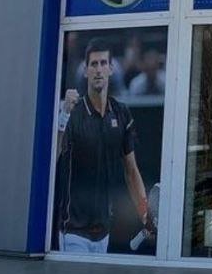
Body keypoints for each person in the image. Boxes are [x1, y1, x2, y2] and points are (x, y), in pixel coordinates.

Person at [55, 39, 152, 253]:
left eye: (103, 63)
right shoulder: (73, 113)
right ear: (85, 71)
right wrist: (63, 116)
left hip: (104, 233)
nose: (98, 69)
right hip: (73, 232)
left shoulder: (121, 112)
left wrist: (144, 213)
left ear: (111, 69)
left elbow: (131, 170)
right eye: (93, 64)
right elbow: (55, 156)